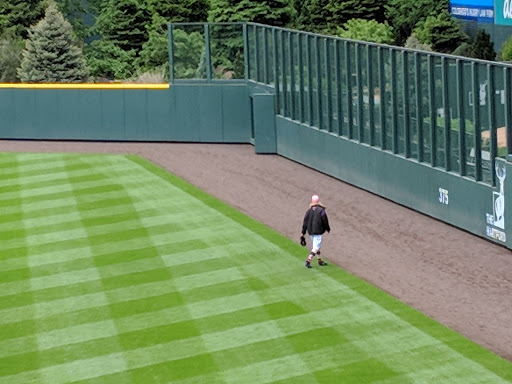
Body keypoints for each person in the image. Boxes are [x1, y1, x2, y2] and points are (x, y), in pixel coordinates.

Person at [301, 194, 331, 268]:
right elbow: (325, 220)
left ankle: (320, 260)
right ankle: (308, 260)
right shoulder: (321, 211)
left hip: (310, 231)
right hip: (318, 231)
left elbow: (305, 222)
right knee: (316, 247)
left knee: (317, 246)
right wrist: (327, 228)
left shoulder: (309, 211)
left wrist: (303, 233)